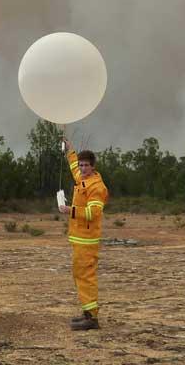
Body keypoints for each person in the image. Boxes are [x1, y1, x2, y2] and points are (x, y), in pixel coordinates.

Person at [60, 137, 109, 331]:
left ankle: (92, 318)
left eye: (86, 165)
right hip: (79, 238)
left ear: (93, 167)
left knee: (86, 275)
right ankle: (87, 313)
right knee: (80, 274)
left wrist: (70, 210)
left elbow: (93, 213)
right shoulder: (82, 178)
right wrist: (69, 150)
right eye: (81, 165)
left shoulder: (97, 187)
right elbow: (73, 166)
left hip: (88, 240)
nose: (82, 168)